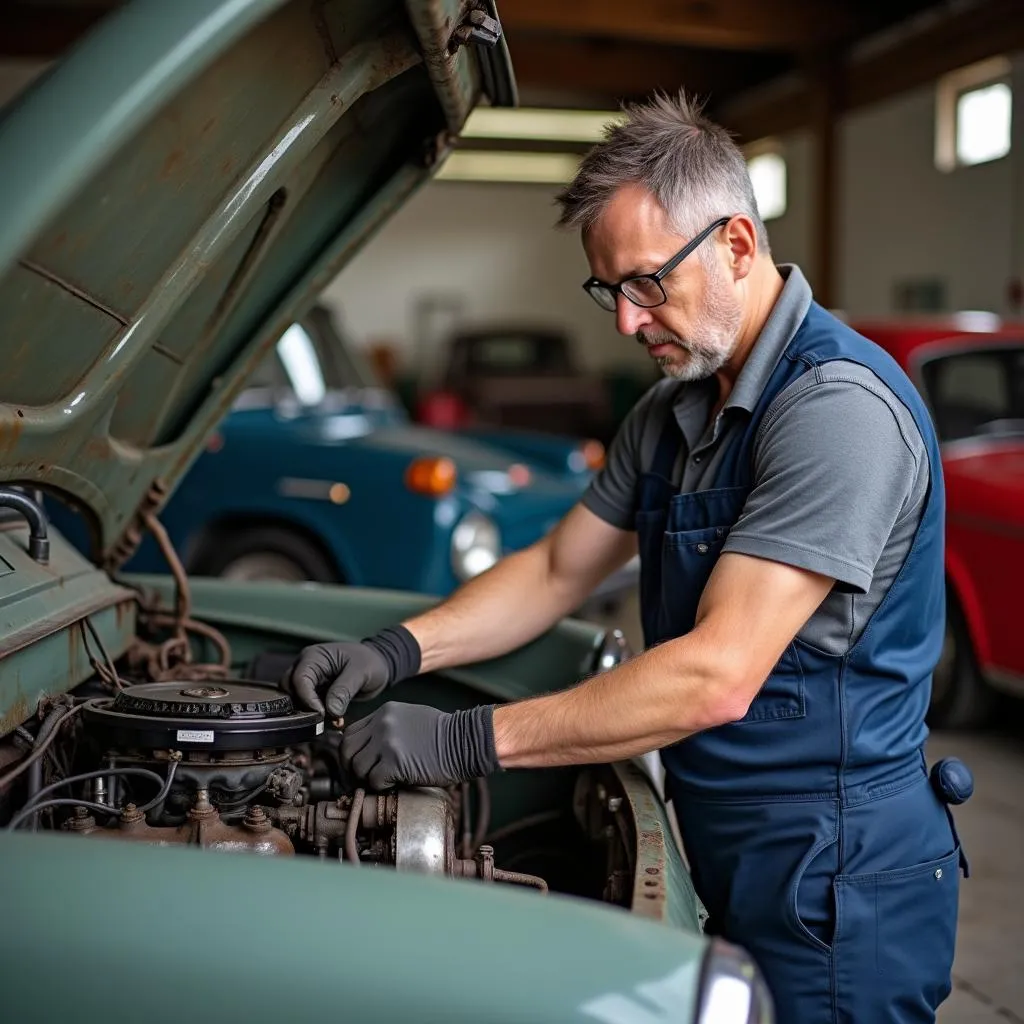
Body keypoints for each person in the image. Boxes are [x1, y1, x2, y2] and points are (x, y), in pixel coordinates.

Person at [283, 93, 967, 1023]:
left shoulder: (836, 411)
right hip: (735, 841)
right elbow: (559, 569)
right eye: (609, 291)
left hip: (839, 877)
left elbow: (716, 675)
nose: (626, 322)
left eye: (647, 283)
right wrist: (395, 650)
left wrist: (461, 741)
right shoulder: (673, 408)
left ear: (734, 244)